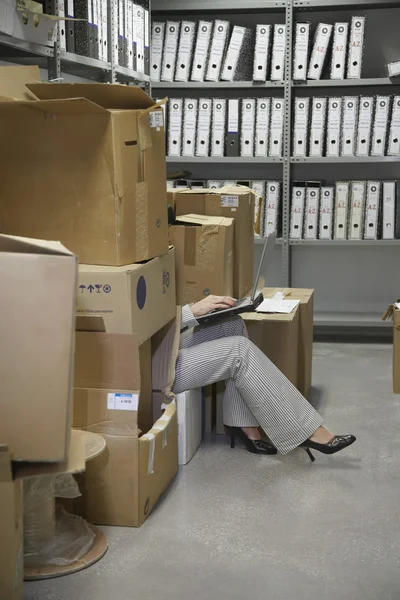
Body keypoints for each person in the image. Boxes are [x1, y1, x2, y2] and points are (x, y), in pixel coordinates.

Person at [173, 295, 356, 461]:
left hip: (163, 343)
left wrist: (189, 310)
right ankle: (306, 432)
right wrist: (189, 313)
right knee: (240, 350)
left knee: (230, 322)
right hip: (154, 368)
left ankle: (243, 424)